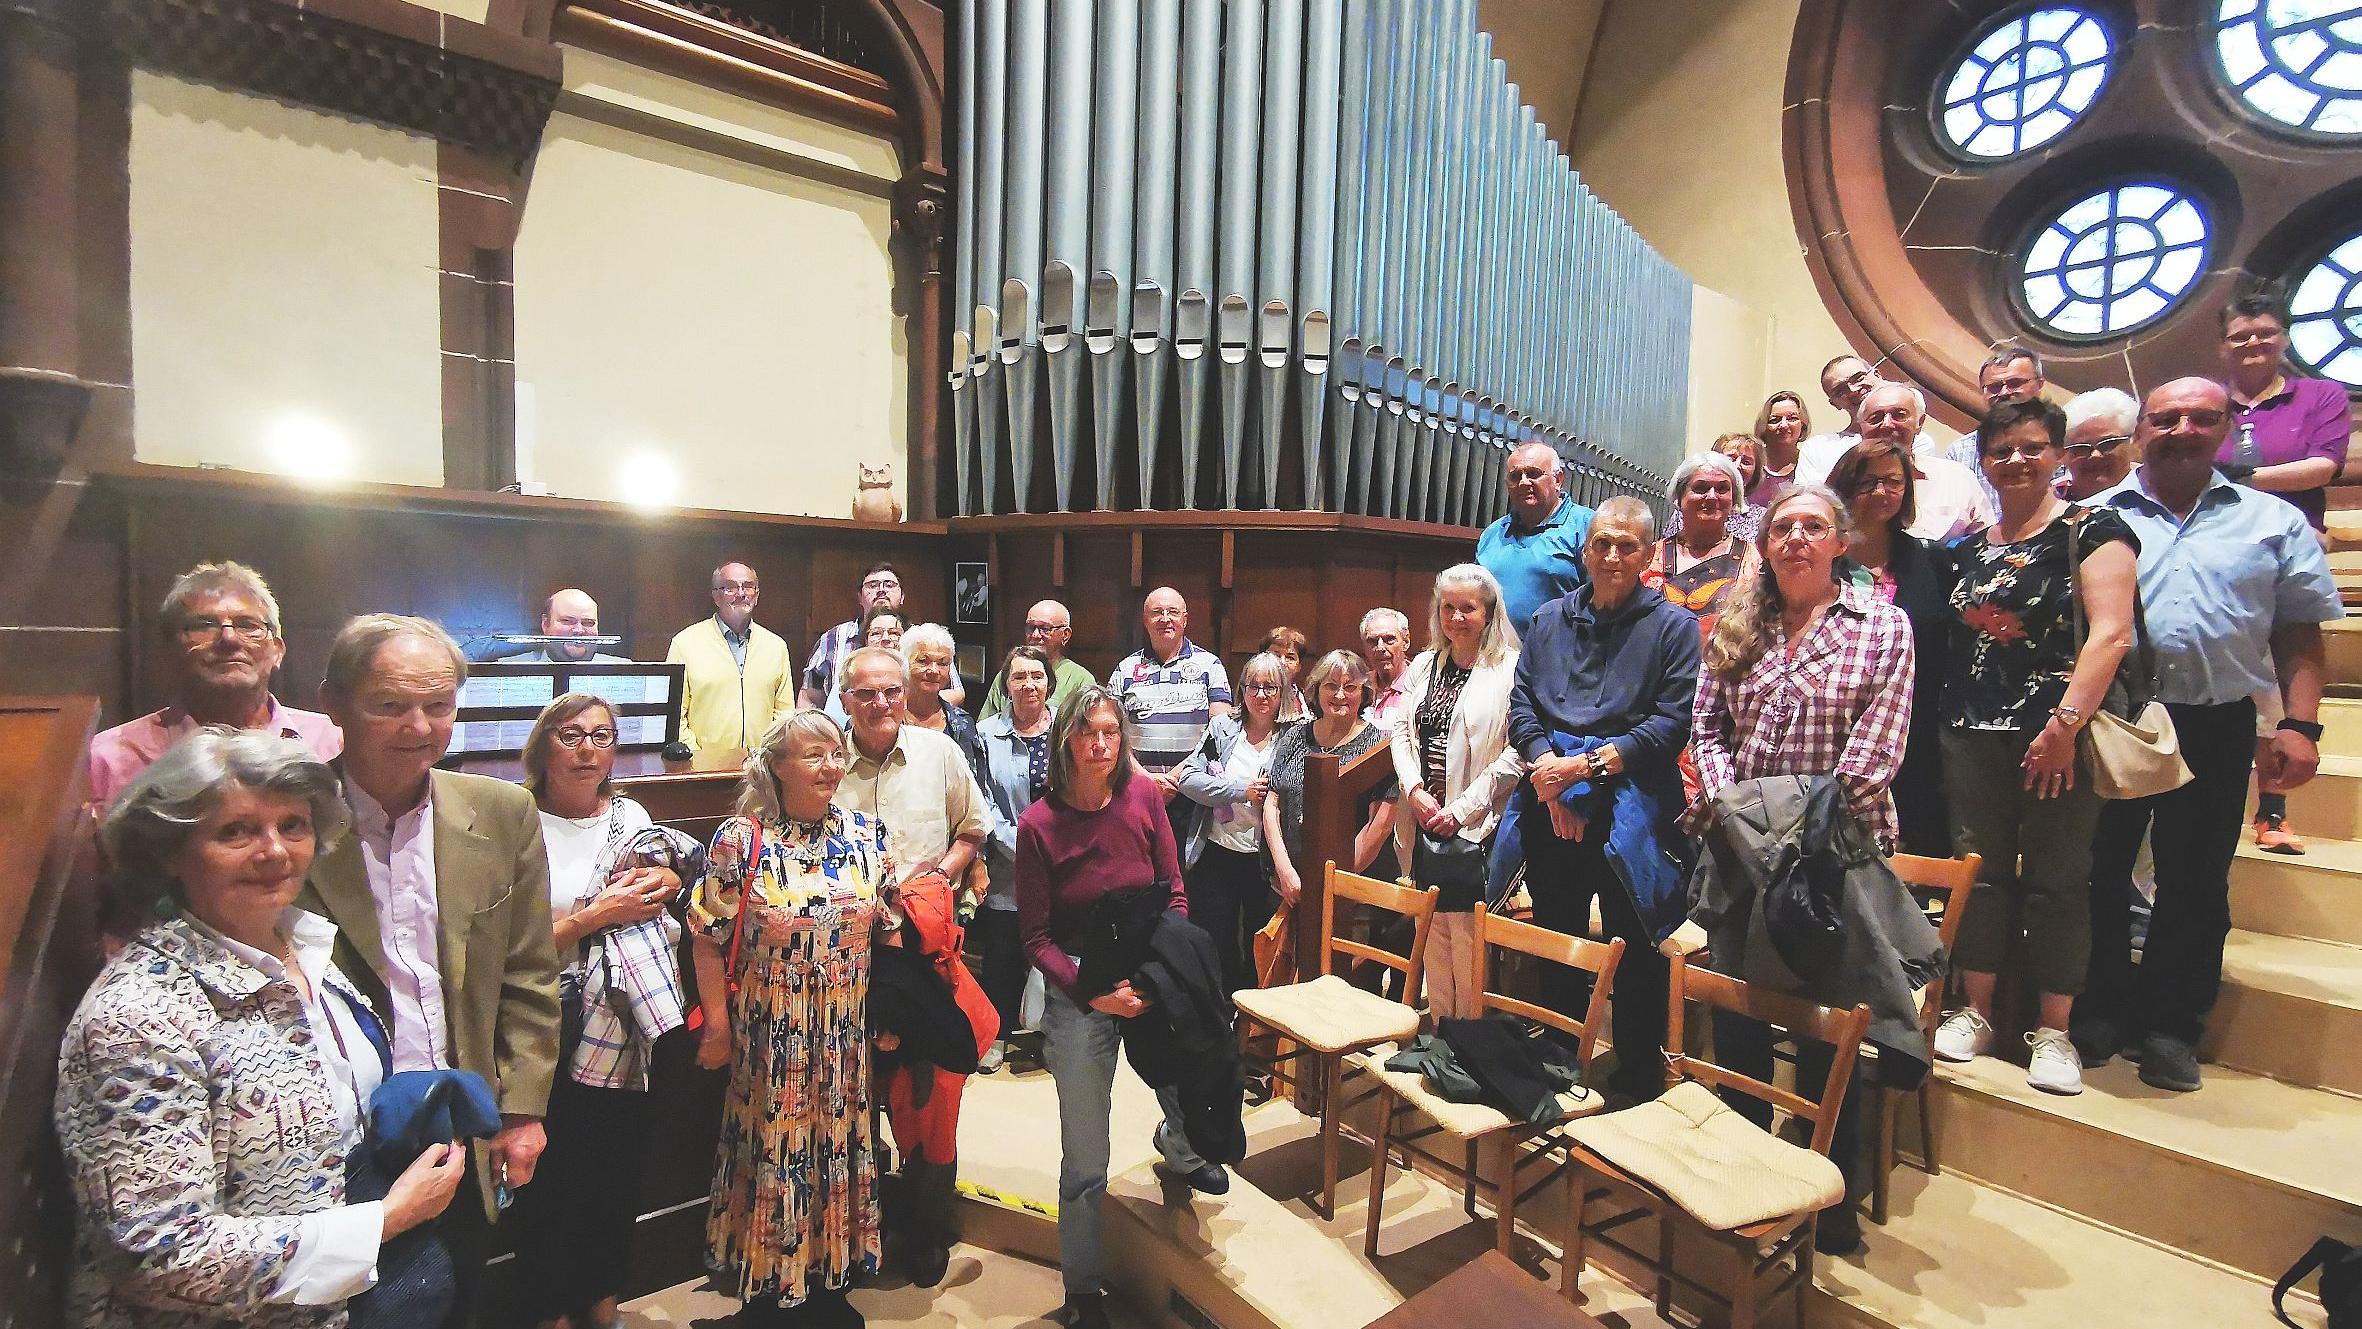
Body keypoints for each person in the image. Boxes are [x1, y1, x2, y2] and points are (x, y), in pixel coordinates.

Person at [57, 729, 467, 1329]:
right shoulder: (138, 1014)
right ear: (171, 851)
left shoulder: (307, 946)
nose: (274, 851)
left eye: (293, 826)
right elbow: (159, 1255)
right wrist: (387, 1220)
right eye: (236, 831)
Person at [2076, 378, 2343, 1092]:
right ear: (2141, 433)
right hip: (2118, 719)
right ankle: (2098, 1006)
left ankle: (2170, 1025)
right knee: (2097, 871)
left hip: (2217, 719)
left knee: (2195, 882)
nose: (2182, 428)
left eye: (2201, 416)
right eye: (2165, 418)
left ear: (2225, 428)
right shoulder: (2093, 517)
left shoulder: (2270, 520)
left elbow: (2299, 632)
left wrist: (2300, 724)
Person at [296, 614, 561, 1312]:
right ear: (334, 703)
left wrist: (522, 1110)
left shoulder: (503, 811)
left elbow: (530, 974)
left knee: (459, 1300)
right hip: (339, 1142)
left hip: (459, 1131)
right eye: (390, 704)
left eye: (438, 704)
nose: (419, 725)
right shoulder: (286, 820)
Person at [1930, 398, 2139, 1097]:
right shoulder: (1970, 545)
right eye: (2002, 450)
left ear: (2058, 453)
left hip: (2057, 735)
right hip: (1969, 730)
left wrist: (2066, 725)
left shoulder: (2093, 528)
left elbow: (2111, 633)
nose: (2016, 460)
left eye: (2032, 447)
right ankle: (1977, 1009)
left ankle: (2054, 1029)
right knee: (1979, 873)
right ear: (1983, 461)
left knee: (2057, 878)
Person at [1017, 687, 1227, 1329]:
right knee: (1086, 1157)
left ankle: (1182, 1146)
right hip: (1080, 981)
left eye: (1110, 732)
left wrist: (1156, 977)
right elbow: (1037, 938)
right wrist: (1092, 992)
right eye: (1087, 734)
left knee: (1192, 1070)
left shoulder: (1142, 799)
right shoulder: (1039, 826)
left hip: (1146, 965)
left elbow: (1175, 893)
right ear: (1066, 743)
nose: (1100, 745)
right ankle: (1083, 1290)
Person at [686, 710, 889, 1326]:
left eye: (836, 752)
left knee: (837, 1147)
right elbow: (706, 935)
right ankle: (772, 1287)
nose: (830, 766)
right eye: (813, 755)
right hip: (773, 1033)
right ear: (776, 765)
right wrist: (718, 1028)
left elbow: (886, 926)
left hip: (845, 1032)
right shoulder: (741, 840)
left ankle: (828, 1278)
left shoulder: (866, 833)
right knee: (779, 1151)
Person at [509, 693, 695, 1329]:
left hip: (619, 1025)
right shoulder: (515, 819)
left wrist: (668, 884)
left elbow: (665, 889)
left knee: (612, 1178)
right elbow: (506, 945)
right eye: (571, 735)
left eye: (601, 736)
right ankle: (551, 1313)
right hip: (540, 1022)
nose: (587, 749)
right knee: (548, 1184)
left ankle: (603, 1306)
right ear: (542, 746)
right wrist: (593, 918)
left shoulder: (632, 814)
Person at [1507, 497, 1697, 1101]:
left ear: (1648, 554)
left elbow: (1669, 724)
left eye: (1628, 545)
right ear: (1585, 549)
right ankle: (1560, 1054)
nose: (1612, 556)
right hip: (1551, 799)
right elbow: (1523, 706)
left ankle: (1638, 1074)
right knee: (1559, 935)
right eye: (1602, 544)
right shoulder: (1547, 620)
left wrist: (1582, 770)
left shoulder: (1674, 627)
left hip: (1631, 805)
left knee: (1635, 946)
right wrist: (1550, 777)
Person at [832, 645, 989, 1285]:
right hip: (842, 956)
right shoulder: (822, 757)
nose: (880, 704)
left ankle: (925, 1229)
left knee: (931, 1095)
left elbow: (972, 830)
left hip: (923, 952)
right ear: (844, 699)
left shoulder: (940, 753)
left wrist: (937, 882)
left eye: (890, 691)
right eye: (865, 693)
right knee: (858, 1091)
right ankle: (864, 1226)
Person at [1689, 485, 1917, 854]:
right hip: (1739, 838)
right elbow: (1707, 730)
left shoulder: (1883, 626)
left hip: (1838, 842)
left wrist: (1796, 832)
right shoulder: (1732, 624)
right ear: (1765, 546)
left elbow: (1875, 753)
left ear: (1840, 544)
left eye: (1814, 527)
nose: (1796, 538)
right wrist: (1733, 809)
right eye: (1782, 529)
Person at [2218, 287, 2350, 856]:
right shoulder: (2209, 403)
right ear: (2223, 346)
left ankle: (2272, 811)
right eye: (2239, 336)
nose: (2252, 344)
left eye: (2264, 333)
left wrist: (2241, 483)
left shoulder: (2318, 396)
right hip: (2218, 548)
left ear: (2285, 338)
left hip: (2285, 548)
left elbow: (2325, 464)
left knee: (2277, 679)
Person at [87, 560, 342, 812]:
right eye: (204, 625)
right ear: (167, 653)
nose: (229, 638)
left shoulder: (333, 742)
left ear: (277, 651)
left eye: (247, 625)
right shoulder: (107, 759)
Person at [1390, 564, 1524, 1018]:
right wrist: (1412, 789)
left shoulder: (1509, 668)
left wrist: (1462, 810)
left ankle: (1467, 1036)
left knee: (1466, 935)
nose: (1457, 617)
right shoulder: (1425, 665)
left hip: (1476, 825)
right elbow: (1400, 734)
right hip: (1425, 817)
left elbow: (1516, 752)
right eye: (1448, 607)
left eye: (1468, 608)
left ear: (1488, 611)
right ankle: (1442, 1030)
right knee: (1431, 929)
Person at [1827, 436, 1957, 857]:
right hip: (1834, 731)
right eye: (1866, 482)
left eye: (1892, 481)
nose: (1881, 492)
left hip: (1917, 733)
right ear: (1843, 489)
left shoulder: (1934, 562)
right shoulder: (1819, 564)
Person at [1174, 652, 1291, 1000]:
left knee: (1259, 937)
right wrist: (1240, 791)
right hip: (1217, 852)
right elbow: (1189, 779)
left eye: (1270, 687)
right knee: (1216, 935)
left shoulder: (1294, 736)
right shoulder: (1222, 729)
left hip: (1264, 858)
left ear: (1283, 692)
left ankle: (1254, 1015)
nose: (1261, 695)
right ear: (1242, 690)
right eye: (1253, 686)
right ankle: (1220, 1012)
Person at [973, 645, 1058, 1072]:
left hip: (1064, 867)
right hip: (1009, 869)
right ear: (1005, 685)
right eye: (1019, 676)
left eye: (1037, 676)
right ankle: (997, 1036)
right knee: (1003, 957)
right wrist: (1024, 849)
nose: (1029, 684)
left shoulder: (1068, 728)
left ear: (1049, 682)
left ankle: (1053, 1039)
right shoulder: (986, 733)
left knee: (1057, 955)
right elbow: (984, 804)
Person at [1264, 651, 1401, 913]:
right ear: (1316, 689)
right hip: (1286, 886)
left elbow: (1379, 826)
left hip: (1349, 895)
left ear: (1364, 692)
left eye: (1350, 687)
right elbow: (1272, 805)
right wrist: (1285, 870)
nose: (1340, 695)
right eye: (1331, 686)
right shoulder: (1295, 736)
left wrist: (1329, 883)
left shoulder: (1379, 749)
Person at [1109, 587, 1235, 798]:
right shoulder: (1125, 669)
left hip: (1193, 791)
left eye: (1173, 612)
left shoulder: (1210, 665)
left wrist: (1178, 777)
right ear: (1145, 620)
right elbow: (1111, 731)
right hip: (1137, 788)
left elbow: (1221, 732)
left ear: (1184, 620)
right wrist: (1147, 780)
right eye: (1157, 612)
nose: (1165, 619)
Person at [665, 562, 796, 755]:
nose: (741, 593)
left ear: (757, 595)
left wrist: (768, 755)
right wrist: (697, 757)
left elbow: (785, 714)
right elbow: (675, 715)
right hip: (703, 768)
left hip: (761, 768)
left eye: (748, 586)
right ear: (716, 595)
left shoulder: (776, 646)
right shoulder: (685, 643)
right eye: (730, 587)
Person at [799, 562, 964, 712]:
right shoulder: (832, 639)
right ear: (859, 597)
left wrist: (905, 706)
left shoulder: (925, 638)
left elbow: (956, 692)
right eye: (872, 585)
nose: (881, 590)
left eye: (889, 585)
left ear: (902, 596)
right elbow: (809, 696)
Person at [1477, 440, 1594, 634]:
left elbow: (1604, 600)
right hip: (1496, 657)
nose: (1523, 482)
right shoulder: (1491, 534)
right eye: (1515, 476)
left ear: (1558, 479)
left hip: (1559, 657)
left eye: (1533, 474)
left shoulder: (1586, 526)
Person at [1856, 382, 1994, 541]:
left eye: (1899, 415)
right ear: (1861, 427)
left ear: (1919, 423)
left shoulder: (1957, 477)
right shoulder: (1844, 481)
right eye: (1876, 418)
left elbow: (1985, 540)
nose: (1887, 424)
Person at [1648, 452, 1757, 626]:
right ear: (1679, 496)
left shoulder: (1753, 560)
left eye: (1722, 489)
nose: (1712, 496)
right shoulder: (1650, 557)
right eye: (1700, 488)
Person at [1942, 346, 2049, 515]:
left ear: (2039, 385)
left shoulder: (2061, 441)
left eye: (2015, 383)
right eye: (1994, 387)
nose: (2004, 392)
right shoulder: (1959, 452)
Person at [979, 599, 1097, 718]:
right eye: (1031, 627)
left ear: (1065, 635)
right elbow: (985, 726)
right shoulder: (1011, 673)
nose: (1035, 635)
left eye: (1045, 629)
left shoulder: (1080, 679)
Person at [901, 623, 985, 773]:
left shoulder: (963, 723)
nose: (934, 670)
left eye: (942, 663)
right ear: (904, 664)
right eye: (922, 661)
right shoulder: (886, 718)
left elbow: (975, 784)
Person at [2060, 387, 2141, 502]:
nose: (2095, 455)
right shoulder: (2049, 505)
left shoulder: (2159, 496)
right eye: (2082, 448)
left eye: (2107, 444)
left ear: (2134, 441)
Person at [1752, 389, 1813, 505]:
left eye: (1792, 419)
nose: (1784, 425)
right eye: (1774, 420)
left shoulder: (1810, 464)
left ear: (1803, 425)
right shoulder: (1751, 463)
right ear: (1763, 426)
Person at [1359, 607, 1416, 726]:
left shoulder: (1419, 687)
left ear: (1405, 642)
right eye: (1373, 641)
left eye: (1389, 639)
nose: (1380, 648)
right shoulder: (1358, 687)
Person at [1259, 624, 1312, 721]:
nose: (1282, 662)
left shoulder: (1307, 701)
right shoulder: (1252, 694)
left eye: (1290, 657)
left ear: (1299, 666)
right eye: (1276, 654)